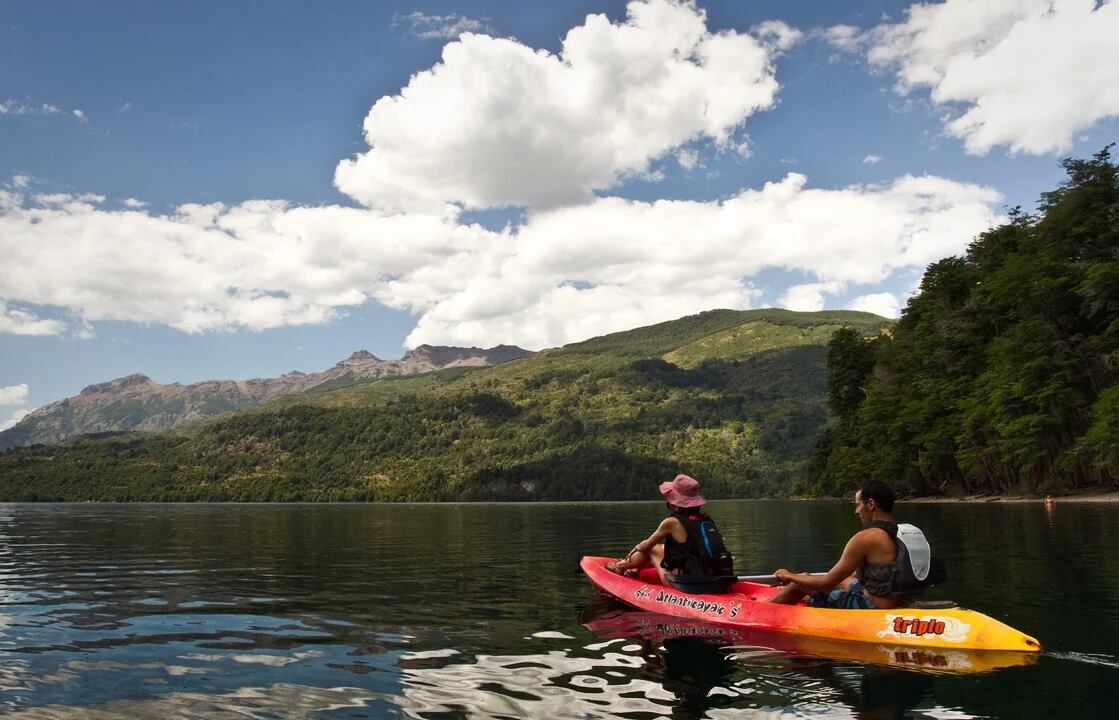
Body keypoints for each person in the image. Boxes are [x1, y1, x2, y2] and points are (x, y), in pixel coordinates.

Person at [768, 480, 931, 609]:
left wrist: (789, 576)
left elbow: (825, 583)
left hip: (871, 605)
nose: (856, 511)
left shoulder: (866, 538)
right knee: (843, 579)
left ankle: (764, 608)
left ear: (871, 504)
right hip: (896, 600)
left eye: (858, 505)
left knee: (800, 580)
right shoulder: (900, 533)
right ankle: (809, 598)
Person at [606, 474, 733, 584]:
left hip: (688, 583)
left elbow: (646, 546)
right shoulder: (706, 520)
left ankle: (620, 566)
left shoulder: (671, 523)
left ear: (674, 502)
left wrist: (636, 548)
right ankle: (634, 568)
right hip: (716, 577)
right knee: (663, 548)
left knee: (654, 548)